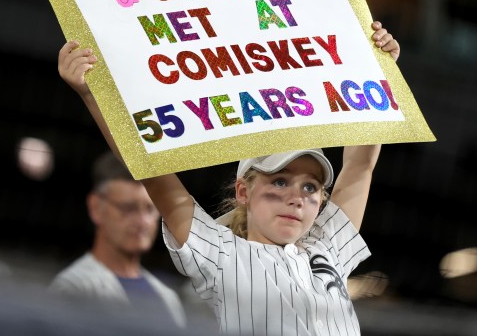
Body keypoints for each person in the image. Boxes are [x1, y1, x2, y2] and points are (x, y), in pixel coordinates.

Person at [58, 21, 400, 335]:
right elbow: (148, 168)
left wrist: (380, 69)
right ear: (243, 191)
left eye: (311, 187)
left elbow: (359, 166)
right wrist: (93, 95)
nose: (296, 197)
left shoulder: (328, 248)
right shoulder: (221, 256)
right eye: (279, 181)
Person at [49, 151, 186, 328]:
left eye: (150, 209)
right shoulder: (75, 288)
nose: (142, 221)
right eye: (128, 208)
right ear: (96, 207)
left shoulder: (168, 298)